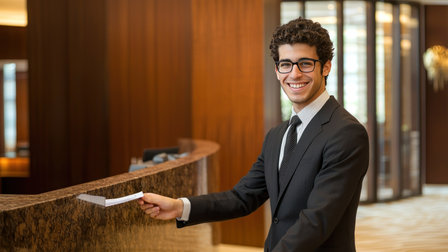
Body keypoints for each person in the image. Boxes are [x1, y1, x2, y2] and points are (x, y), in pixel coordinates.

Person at [137, 17, 369, 252]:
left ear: (326, 66)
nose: (294, 74)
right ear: (277, 70)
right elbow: (242, 197)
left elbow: (317, 221)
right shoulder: (277, 135)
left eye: (305, 63)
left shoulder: (346, 133)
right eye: (285, 64)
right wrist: (179, 207)